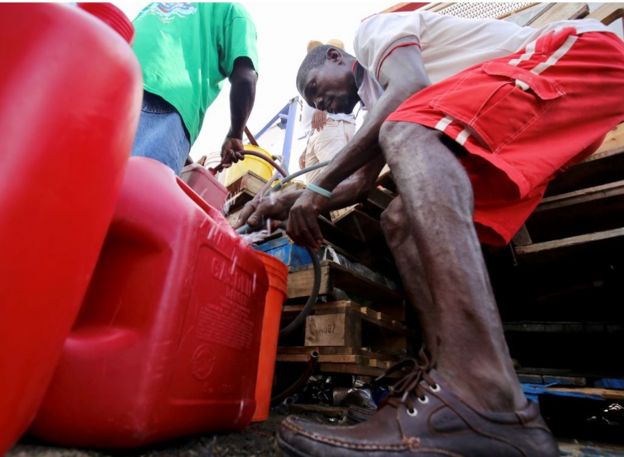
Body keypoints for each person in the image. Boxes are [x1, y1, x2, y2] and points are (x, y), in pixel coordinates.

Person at [239, 8, 624, 457]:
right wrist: (285, 201)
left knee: (405, 129)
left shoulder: (373, 34)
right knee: (398, 220)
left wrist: (316, 190)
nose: (320, 105)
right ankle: (460, 400)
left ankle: (481, 392)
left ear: (335, 57)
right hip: (545, 99)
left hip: (575, 57)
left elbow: (409, 92)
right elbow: (361, 184)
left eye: (315, 90)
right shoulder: (381, 97)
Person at [130, 2, 258, 175]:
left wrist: (183, 156)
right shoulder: (232, 12)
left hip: (109, 85)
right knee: (135, 191)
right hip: (168, 100)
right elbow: (245, 78)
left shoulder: (156, 5)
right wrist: (235, 134)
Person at [299, 39, 357, 183]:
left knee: (336, 181)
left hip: (331, 126)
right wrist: (307, 148)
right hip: (317, 135)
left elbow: (332, 102)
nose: (318, 102)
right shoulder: (310, 77)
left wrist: (323, 111)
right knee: (315, 191)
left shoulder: (331, 85)